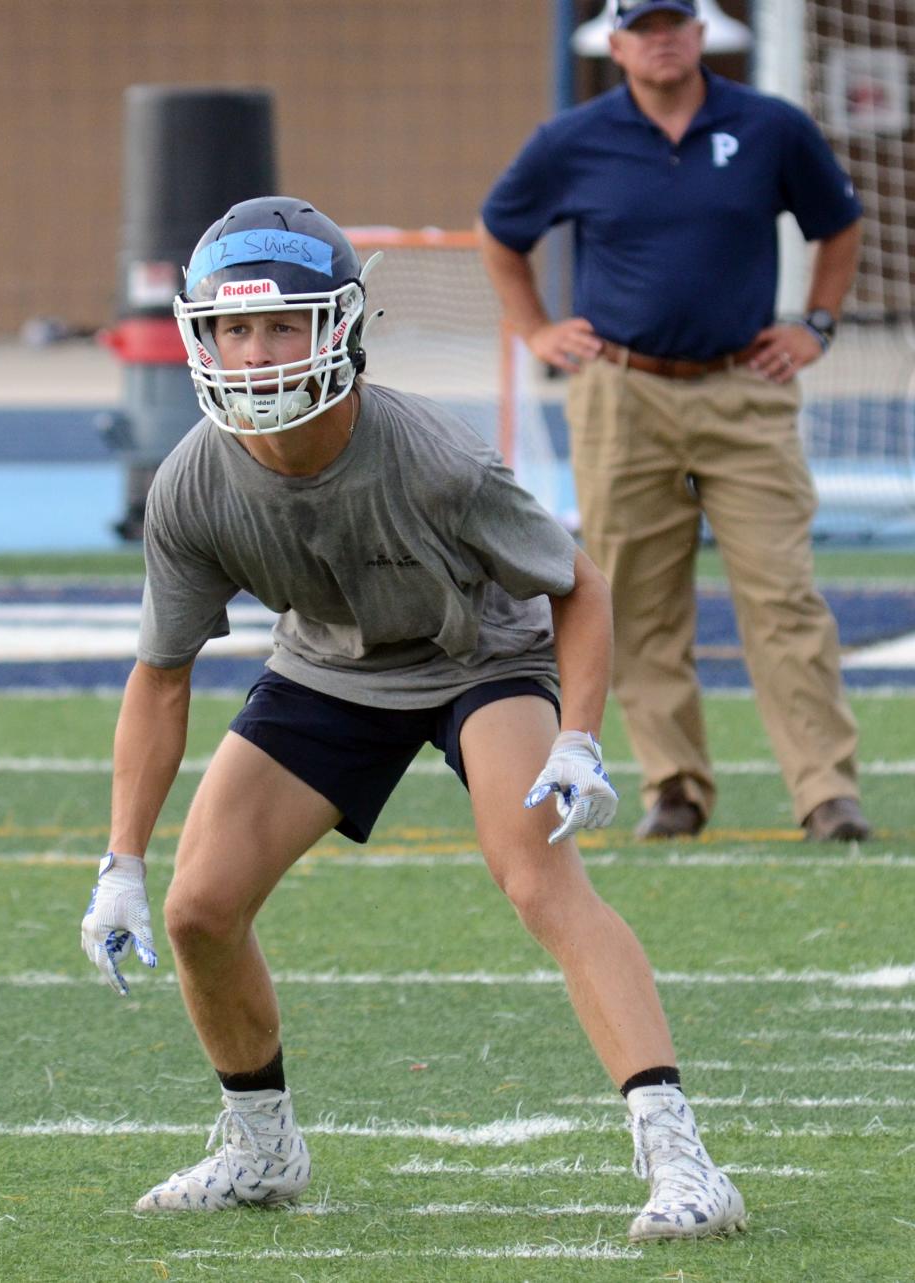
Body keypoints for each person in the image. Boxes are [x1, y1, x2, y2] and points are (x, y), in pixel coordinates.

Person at [80, 195, 745, 1242]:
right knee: (198, 907)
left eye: (281, 324)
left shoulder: (431, 455)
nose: (254, 353)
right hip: (331, 665)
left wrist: (577, 733)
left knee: (536, 876)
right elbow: (161, 675)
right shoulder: (192, 485)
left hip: (481, 652)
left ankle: (682, 1155)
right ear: (199, 335)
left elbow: (579, 585)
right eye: (233, 328)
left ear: (338, 327)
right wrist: (120, 857)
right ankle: (261, 1150)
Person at [478, 0, 871, 843]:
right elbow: (501, 234)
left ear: (703, 32)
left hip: (746, 390)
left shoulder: (771, 127)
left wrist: (817, 324)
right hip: (622, 392)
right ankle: (676, 787)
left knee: (783, 592)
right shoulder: (569, 140)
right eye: (643, 24)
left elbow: (839, 226)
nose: (661, 37)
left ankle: (827, 792)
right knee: (636, 601)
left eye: (674, 21)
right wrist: (538, 328)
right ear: (614, 42)